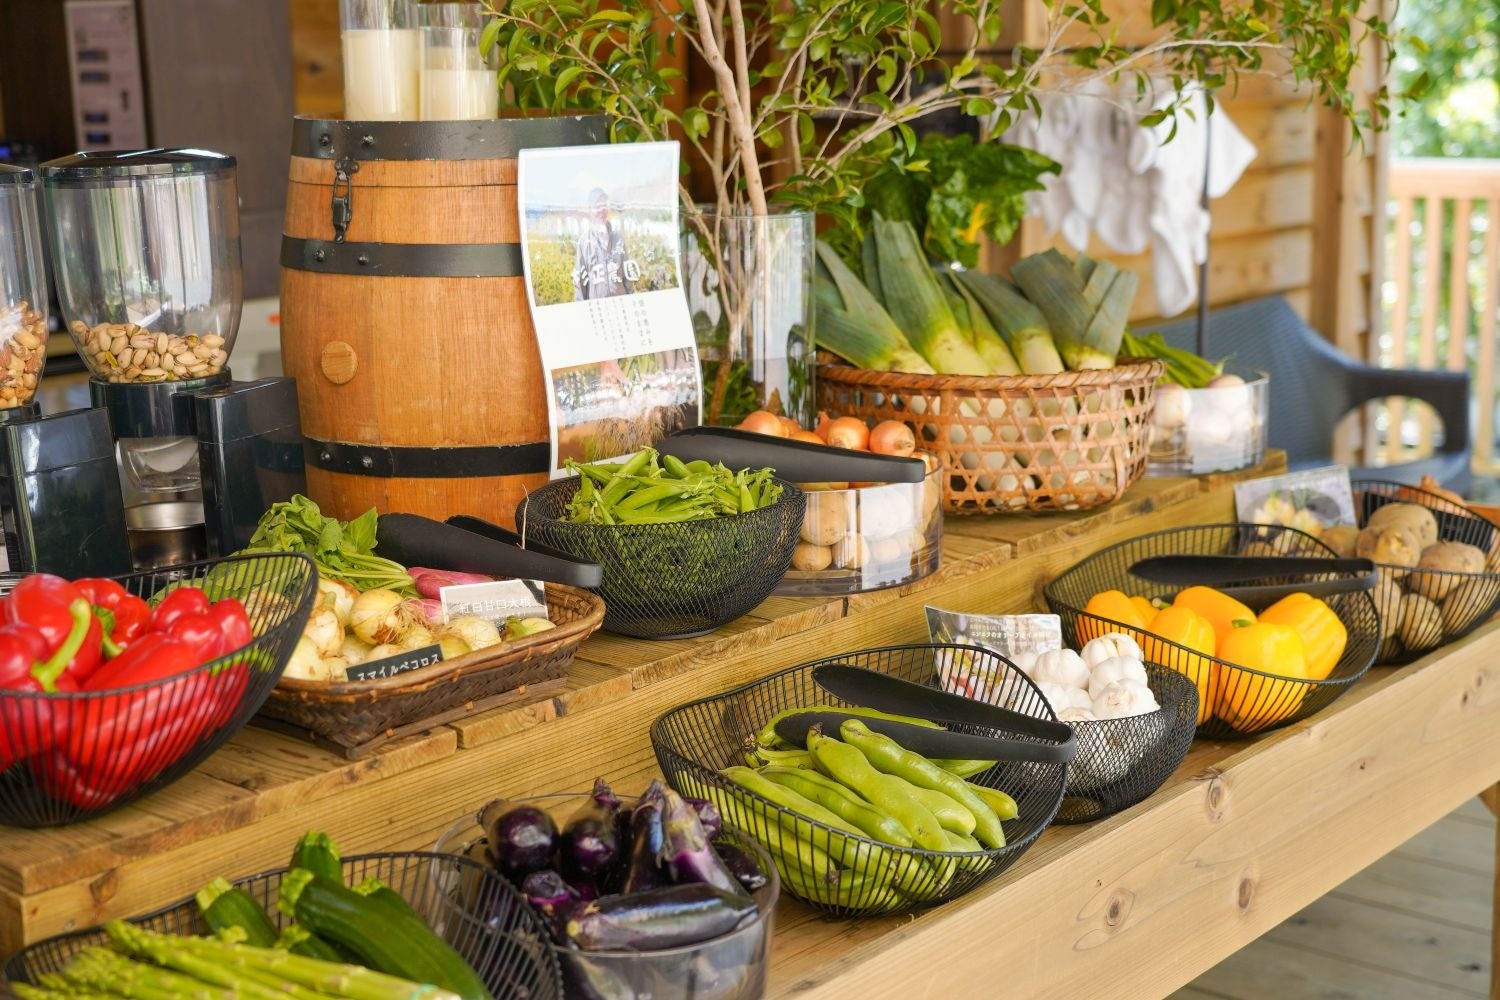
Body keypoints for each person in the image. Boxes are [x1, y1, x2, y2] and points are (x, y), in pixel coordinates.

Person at [572, 187, 635, 300]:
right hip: (598, 307)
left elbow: (627, 277)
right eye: (597, 206)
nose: (602, 210)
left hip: (621, 303)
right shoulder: (583, 243)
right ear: (590, 210)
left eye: (604, 205)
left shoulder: (618, 239)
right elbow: (580, 284)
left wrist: (632, 300)